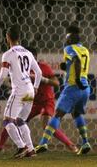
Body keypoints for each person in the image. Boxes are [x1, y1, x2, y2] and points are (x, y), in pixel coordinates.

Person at [0, 47, 77, 154]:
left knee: (46, 125)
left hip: (46, 101)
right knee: (15, 120)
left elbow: (56, 83)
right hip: (31, 99)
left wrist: (41, 79)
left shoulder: (43, 67)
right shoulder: (22, 68)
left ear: (34, 57)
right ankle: (2, 146)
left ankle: (70, 145)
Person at [35, 26, 92, 155]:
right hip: (85, 89)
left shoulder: (69, 48)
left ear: (71, 38)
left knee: (57, 115)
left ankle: (43, 143)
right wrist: (66, 66)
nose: (65, 39)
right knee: (76, 114)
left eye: (67, 37)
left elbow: (77, 61)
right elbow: (78, 62)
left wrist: (76, 80)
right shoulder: (85, 49)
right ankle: (85, 142)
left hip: (73, 87)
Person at [0, 25, 42, 158]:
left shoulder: (8, 54)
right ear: (19, 38)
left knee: (7, 121)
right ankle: (31, 149)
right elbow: (39, 72)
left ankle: (21, 146)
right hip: (29, 90)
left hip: (19, 90)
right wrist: (35, 87)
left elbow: (3, 75)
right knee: (20, 121)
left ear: (7, 38)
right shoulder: (28, 53)